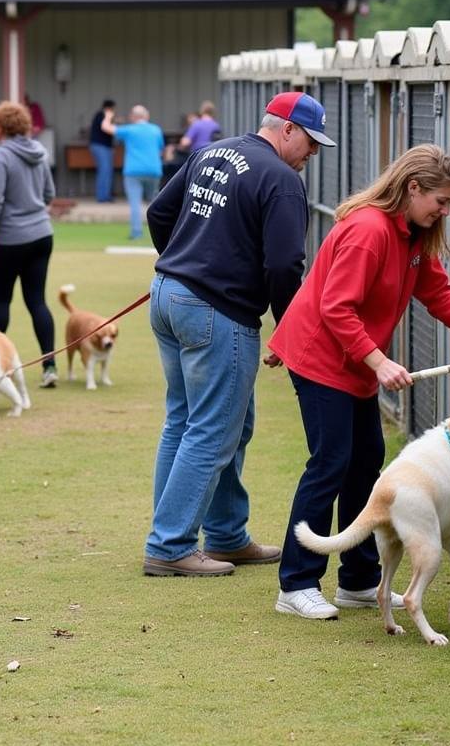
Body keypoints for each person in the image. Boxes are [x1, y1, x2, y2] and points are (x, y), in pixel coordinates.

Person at [269, 143, 450, 620]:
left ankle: (357, 581)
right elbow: (337, 307)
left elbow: (436, 290)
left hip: (355, 361)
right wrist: (379, 361)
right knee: (331, 461)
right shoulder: (368, 230)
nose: (444, 211)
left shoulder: (416, 233)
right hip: (321, 356)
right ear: (413, 188)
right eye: (440, 201)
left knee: (366, 463)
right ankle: (296, 583)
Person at [142, 91, 335, 578]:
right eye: (310, 143)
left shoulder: (213, 151)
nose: (312, 154)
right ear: (287, 129)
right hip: (215, 311)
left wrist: (186, 262)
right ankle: (169, 547)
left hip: (168, 295)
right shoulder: (282, 180)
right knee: (211, 428)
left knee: (195, 420)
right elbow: (285, 264)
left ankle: (226, 535)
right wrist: (287, 326)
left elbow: (158, 215)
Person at [0, 100, 59, 388]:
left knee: (0, 299)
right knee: (37, 300)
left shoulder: (0, 157)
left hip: (11, 238)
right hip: (42, 234)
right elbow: (49, 193)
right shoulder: (39, 152)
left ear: (0, 128)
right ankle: (50, 366)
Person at [100, 104, 165, 239]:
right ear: (146, 116)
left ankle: (136, 232)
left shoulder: (129, 130)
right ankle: (161, 233)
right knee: (155, 203)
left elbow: (106, 128)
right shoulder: (156, 130)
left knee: (135, 204)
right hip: (153, 170)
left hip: (133, 171)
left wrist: (107, 116)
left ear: (133, 117)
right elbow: (161, 150)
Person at [88, 99, 117, 203]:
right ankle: (102, 197)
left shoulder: (103, 115)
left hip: (105, 147)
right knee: (104, 171)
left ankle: (106, 195)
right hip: (100, 146)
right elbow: (106, 128)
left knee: (107, 171)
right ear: (108, 108)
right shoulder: (102, 115)